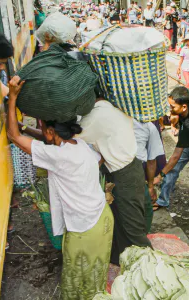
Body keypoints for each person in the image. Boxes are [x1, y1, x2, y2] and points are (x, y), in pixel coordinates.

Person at [7, 76, 114, 299]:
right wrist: (26, 127)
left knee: (76, 282)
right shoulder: (80, 146)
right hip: (103, 218)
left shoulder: (57, 156)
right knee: (95, 278)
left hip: (85, 227)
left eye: (43, 127)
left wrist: (13, 97)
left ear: (51, 132)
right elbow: (43, 141)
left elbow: (13, 137)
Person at [77, 90, 152, 265]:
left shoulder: (94, 117)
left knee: (131, 227)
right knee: (120, 219)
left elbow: (65, 139)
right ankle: (124, 260)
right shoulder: (115, 106)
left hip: (123, 174)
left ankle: (150, 268)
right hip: (131, 168)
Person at [153, 86, 189, 215]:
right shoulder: (183, 112)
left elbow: (175, 156)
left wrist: (159, 176)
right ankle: (163, 200)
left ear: (184, 107)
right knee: (172, 170)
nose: (171, 109)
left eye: (173, 106)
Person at [133, 119, 165, 232]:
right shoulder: (148, 126)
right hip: (135, 174)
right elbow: (152, 161)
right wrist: (150, 186)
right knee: (145, 210)